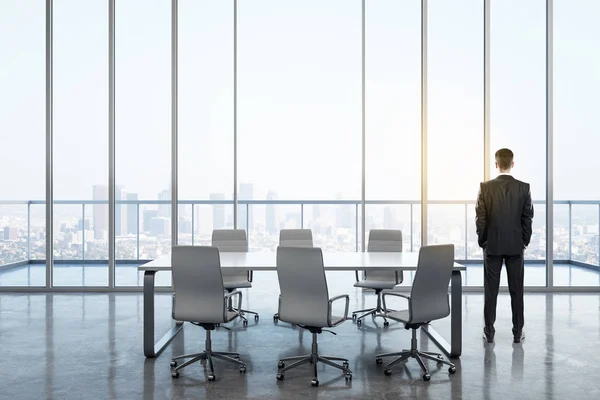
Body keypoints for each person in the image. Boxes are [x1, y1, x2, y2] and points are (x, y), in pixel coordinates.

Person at [476, 148, 534, 344]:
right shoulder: (524, 188)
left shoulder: (485, 187)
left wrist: (483, 241)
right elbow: (528, 218)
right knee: (517, 291)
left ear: (496, 164)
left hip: (492, 246)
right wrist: (523, 241)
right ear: (512, 164)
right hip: (516, 247)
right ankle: (518, 333)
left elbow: (480, 219)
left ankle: (489, 333)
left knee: (490, 291)